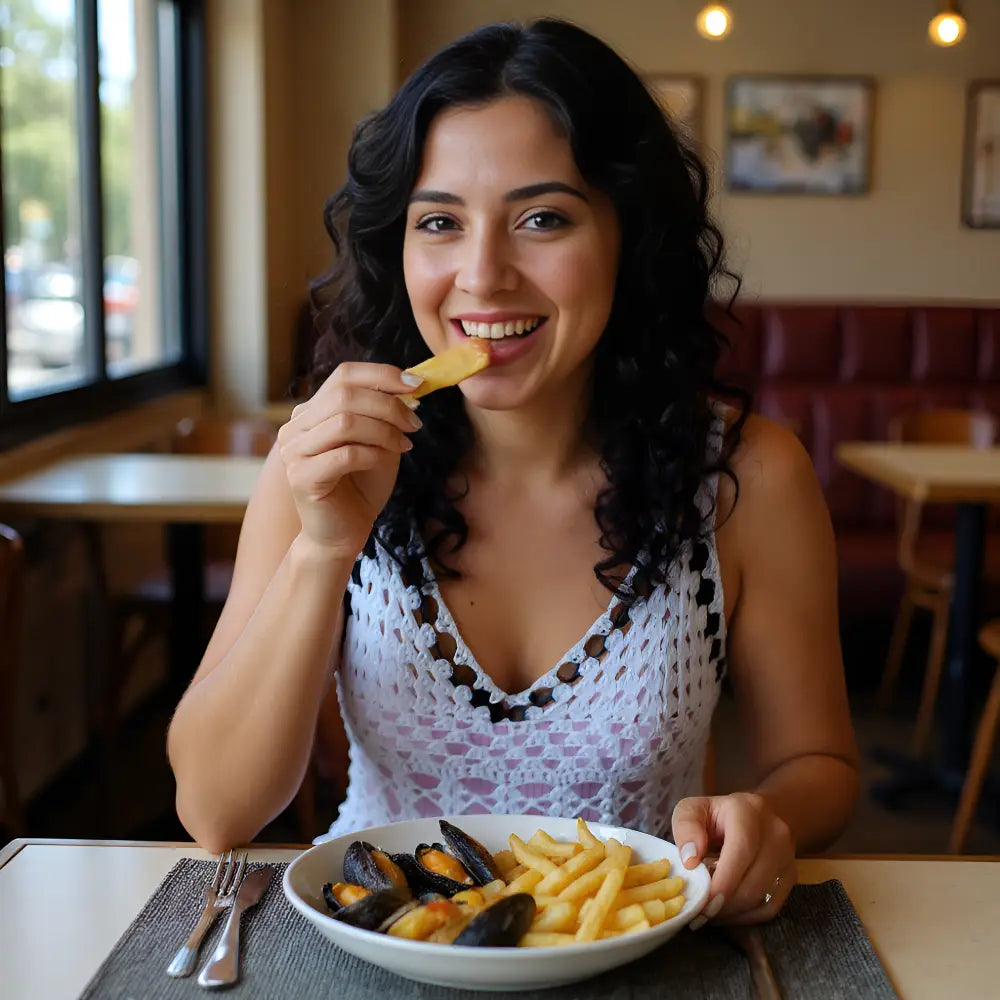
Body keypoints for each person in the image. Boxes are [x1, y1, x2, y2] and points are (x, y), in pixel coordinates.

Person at [167, 18, 859, 929]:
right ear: (400, 249)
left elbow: (823, 765)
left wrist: (769, 818)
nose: (482, 277)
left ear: (629, 236)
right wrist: (323, 549)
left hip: (636, 948)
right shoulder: (322, 466)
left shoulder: (746, 477)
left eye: (543, 219)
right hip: (383, 945)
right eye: (440, 223)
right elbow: (215, 813)